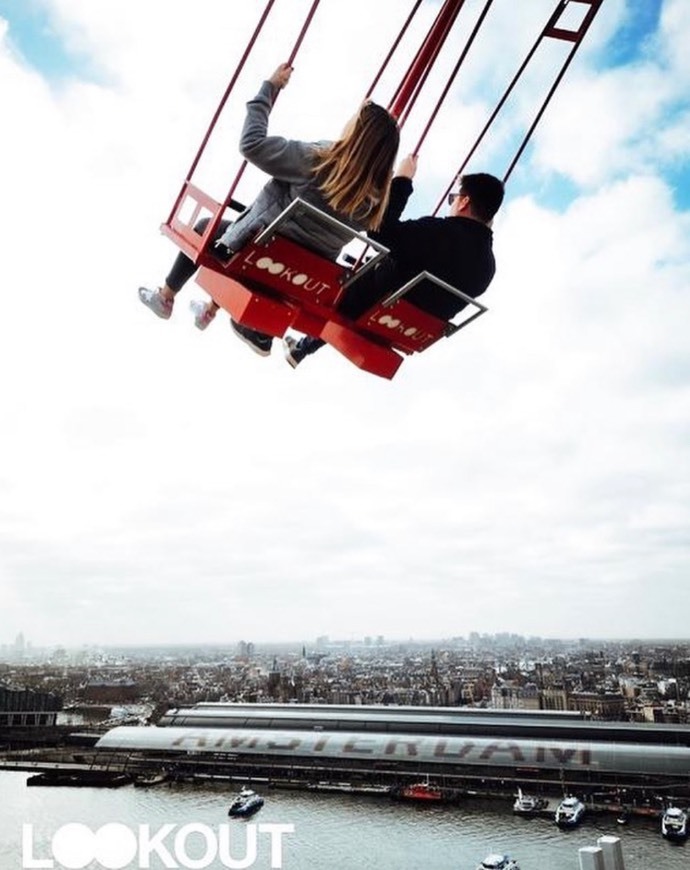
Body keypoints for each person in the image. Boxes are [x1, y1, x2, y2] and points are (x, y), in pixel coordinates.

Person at [138, 63, 400, 355]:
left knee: (208, 229)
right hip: (295, 279)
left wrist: (270, 88)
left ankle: (166, 297)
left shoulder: (318, 161)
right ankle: (211, 312)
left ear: (356, 134)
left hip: (252, 251)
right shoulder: (374, 207)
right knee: (261, 242)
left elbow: (252, 144)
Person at [282, 154, 504, 368]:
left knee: (333, 260)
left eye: (452, 199)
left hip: (366, 303)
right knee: (374, 271)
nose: (451, 204)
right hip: (404, 327)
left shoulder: (439, 233)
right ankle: (302, 348)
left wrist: (402, 181)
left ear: (464, 202)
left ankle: (274, 330)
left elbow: (380, 231)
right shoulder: (488, 267)